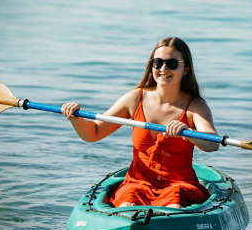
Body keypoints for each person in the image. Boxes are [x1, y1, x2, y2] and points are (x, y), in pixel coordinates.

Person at [61, 37, 219, 207]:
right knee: (128, 200)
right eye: (157, 63)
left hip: (179, 186)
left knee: (175, 201)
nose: (163, 68)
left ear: (186, 68)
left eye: (172, 63)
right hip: (137, 183)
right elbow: (93, 133)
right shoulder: (135, 98)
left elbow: (212, 144)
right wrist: (75, 118)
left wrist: (189, 133)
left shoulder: (195, 106)